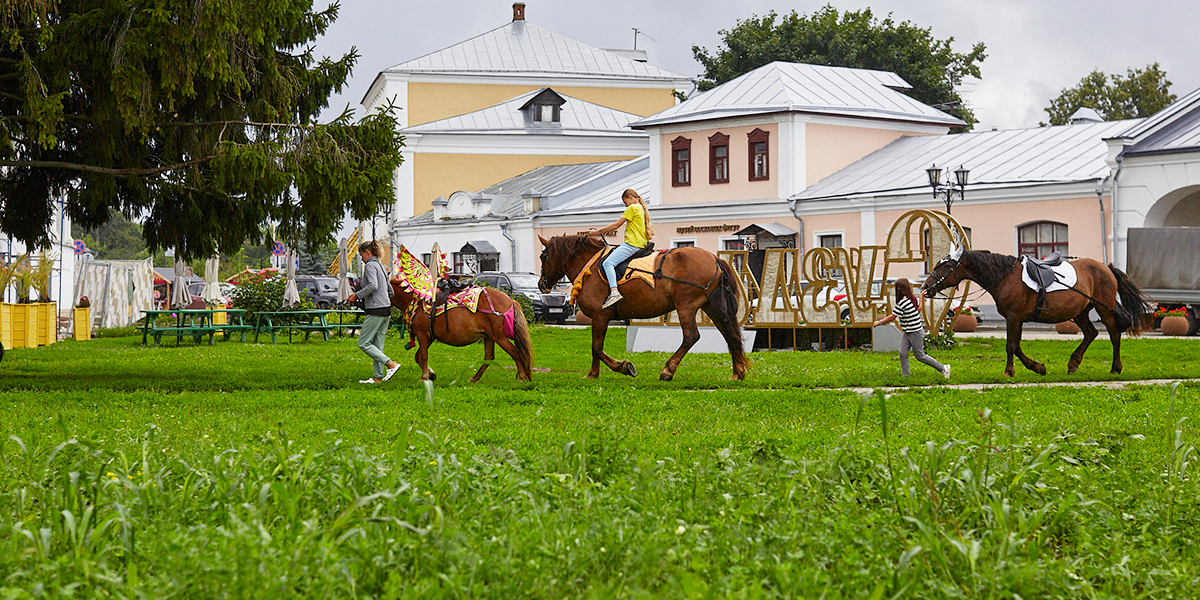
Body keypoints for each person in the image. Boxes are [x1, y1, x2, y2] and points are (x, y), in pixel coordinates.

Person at [873, 278, 951, 379]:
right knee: (902, 353)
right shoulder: (911, 298)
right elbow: (918, 309)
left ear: (900, 289)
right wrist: (921, 296)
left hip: (915, 332)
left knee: (920, 356)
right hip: (908, 332)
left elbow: (892, 316)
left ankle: (943, 368)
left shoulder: (903, 302)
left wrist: (878, 322)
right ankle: (906, 376)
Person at [347, 240, 401, 384]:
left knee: (364, 343)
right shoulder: (381, 266)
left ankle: (390, 364)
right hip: (386, 309)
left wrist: (356, 295)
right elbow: (390, 291)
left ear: (368, 252)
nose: (362, 258)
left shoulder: (370, 266)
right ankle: (377, 377)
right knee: (378, 345)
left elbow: (372, 285)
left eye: (361, 254)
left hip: (375, 309)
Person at [592, 189, 654, 309]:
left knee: (608, 263)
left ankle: (614, 292)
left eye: (625, 202)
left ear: (630, 197)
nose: (626, 205)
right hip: (640, 243)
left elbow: (616, 225)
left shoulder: (632, 208)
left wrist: (597, 232)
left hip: (631, 244)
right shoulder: (641, 208)